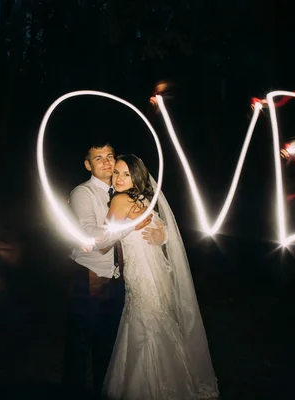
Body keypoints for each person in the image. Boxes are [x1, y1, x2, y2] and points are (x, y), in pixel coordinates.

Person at [102, 154, 219, 400]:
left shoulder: (123, 199)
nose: (120, 178)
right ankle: (172, 383)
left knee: (148, 320)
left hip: (147, 270)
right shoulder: (143, 199)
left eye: (126, 173)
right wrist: (153, 234)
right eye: (117, 173)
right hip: (153, 269)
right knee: (155, 319)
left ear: (137, 176)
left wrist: (158, 236)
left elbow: (106, 239)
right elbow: (154, 230)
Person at [63, 142, 165, 398]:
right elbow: (93, 238)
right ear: (88, 165)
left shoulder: (123, 189)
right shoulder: (82, 193)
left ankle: (103, 391)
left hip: (119, 278)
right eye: (99, 159)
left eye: (110, 156)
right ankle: (71, 393)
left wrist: (159, 234)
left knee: (109, 343)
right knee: (81, 341)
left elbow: (158, 224)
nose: (107, 163)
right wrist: (132, 225)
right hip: (90, 276)